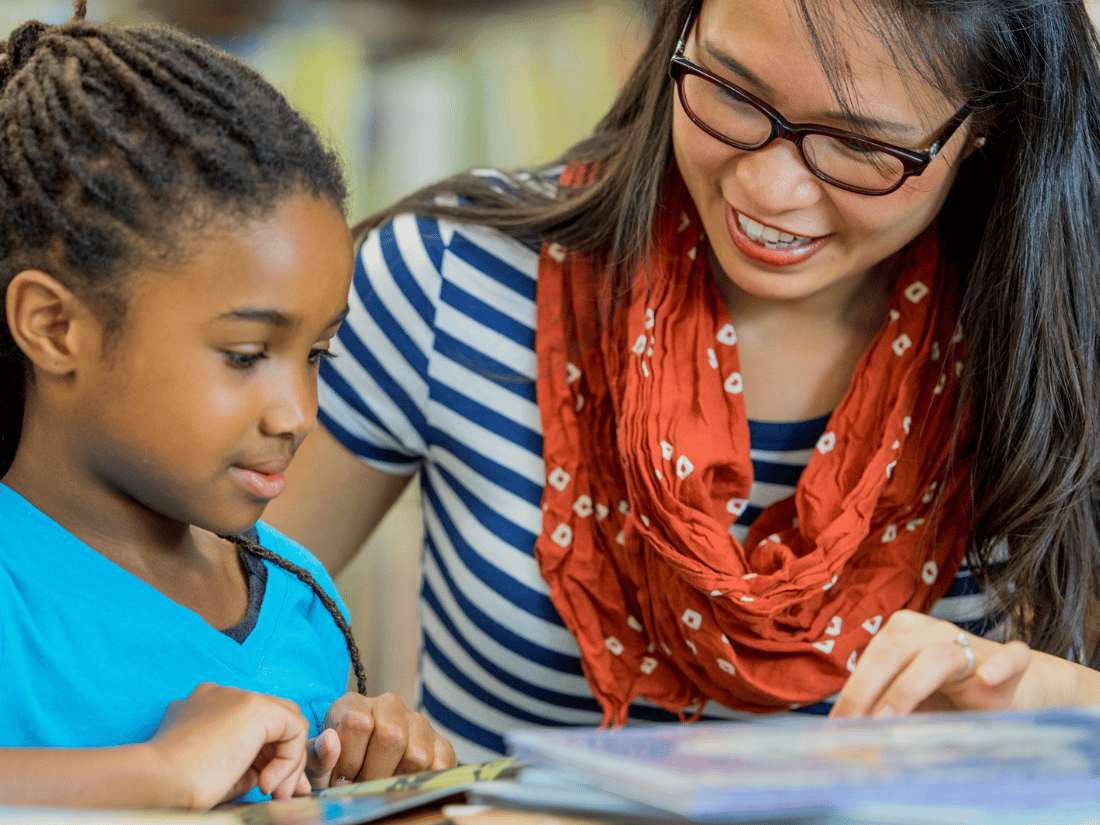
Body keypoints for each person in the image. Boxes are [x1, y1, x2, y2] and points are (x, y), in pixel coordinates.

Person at [265, 0, 1100, 763]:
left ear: (988, 122)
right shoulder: (449, 283)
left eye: (860, 146)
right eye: (730, 91)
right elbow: (203, 655)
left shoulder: (1057, 345)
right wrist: (337, 749)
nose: (767, 187)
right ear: (677, 31)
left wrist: (1061, 700)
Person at [0, 1, 455, 810]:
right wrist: (156, 775)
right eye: (245, 355)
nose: (297, 413)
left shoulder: (300, 594)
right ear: (55, 326)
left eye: (316, 354)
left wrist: (378, 784)